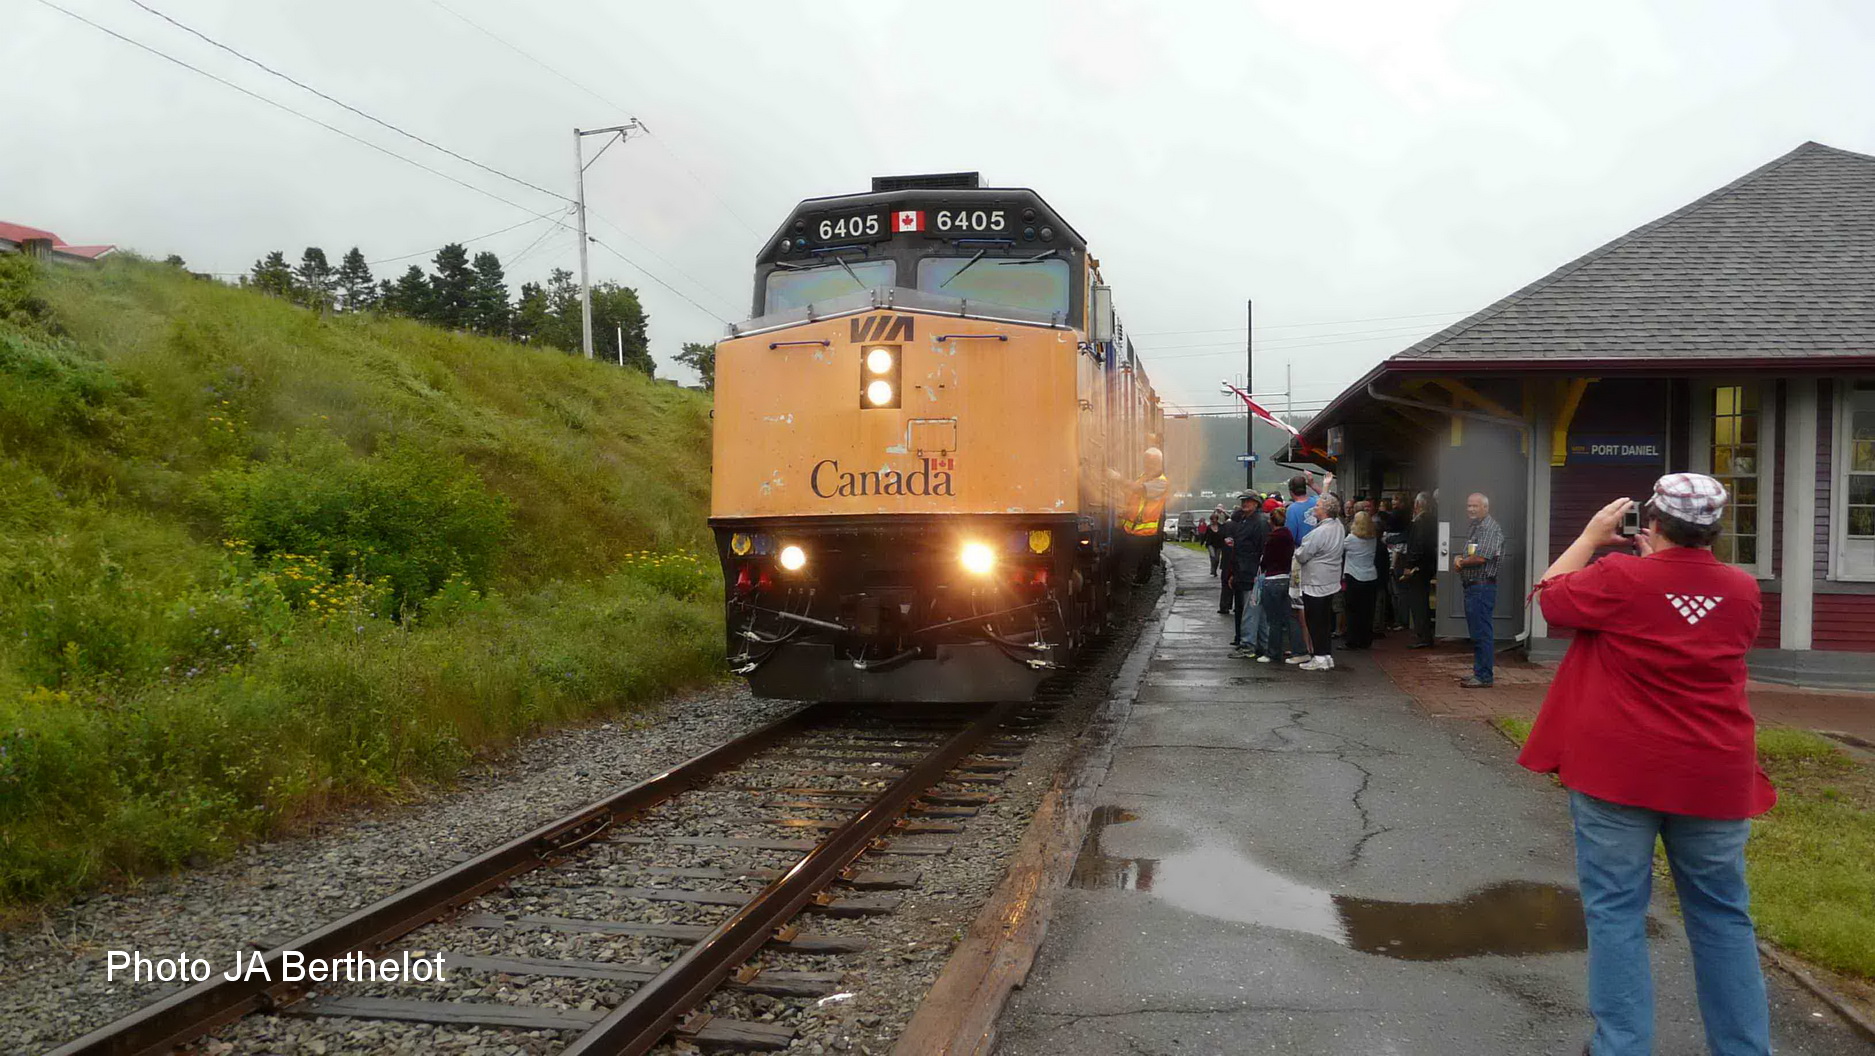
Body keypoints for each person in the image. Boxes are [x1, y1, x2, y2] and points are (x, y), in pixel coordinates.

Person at [1518, 475, 1773, 1056]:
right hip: (1715, 772)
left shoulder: (1619, 577)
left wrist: (1590, 536)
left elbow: (1551, 598)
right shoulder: (1742, 588)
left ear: (1650, 522)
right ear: (1715, 528)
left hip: (1620, 770)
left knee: (1616, 911)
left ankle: (1622, 1046)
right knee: (1723, 916)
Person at [1455, 492, 1504, 688]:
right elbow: (1472, 552)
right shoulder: (1476, 527)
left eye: (1475, 506)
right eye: (1469, 506)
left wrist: (1460, 562)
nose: (1471, 509)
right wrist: (1461, 558)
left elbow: (1482, 557)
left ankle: (1484, 676)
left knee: (1482, 632)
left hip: (1482, 586)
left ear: (1486, 507)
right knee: (1477, 632)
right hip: (1473, 586)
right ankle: (1479, 670)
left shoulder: (1490, 529)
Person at [1292, 493, 1346, 671]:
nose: (1314, 507)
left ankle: (1320, 657)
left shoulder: (1320, 532)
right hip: (1330, 579)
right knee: (1324, 620)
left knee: (1315, 621)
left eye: (1317, 506)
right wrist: (1325, 487)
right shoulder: (1338, 526)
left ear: (1325, 511)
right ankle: (1326, 655)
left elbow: (1302, 554)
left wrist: (1298, 551)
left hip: (1315, 582)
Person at [1114, 448, 1168, 587]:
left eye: (1151, 462)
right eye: (1146, 461)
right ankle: (1123, 599)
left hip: (1143, 534)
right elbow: (1133, 498)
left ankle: (1122, 605)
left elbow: (1139, 490)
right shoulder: (1143, 477)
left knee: (1126, 570)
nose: (1148, 465)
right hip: (1131, 531)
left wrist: (1118, 478)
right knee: (1122, 568)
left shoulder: (1161, 482)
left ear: (1158, 463)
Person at [1226, 494, 1268, 654]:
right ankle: (1264, 645)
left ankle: (1248, 645)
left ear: (1256, 504)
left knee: (1251, 611)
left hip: (1253, 572)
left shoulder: (1260, 523)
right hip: (1243, 572)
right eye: (1243, 501)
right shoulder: (1245, 521)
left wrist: (1260, 570)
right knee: (1257, 611)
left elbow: (1263, 548)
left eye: (1248, 501)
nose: (1245, 504)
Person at [1254, 506, 1295, 663]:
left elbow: (1265, 561)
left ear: (1271, 521)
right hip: (1286, 577)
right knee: (1287, 618)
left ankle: (1272, 652)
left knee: (1273, 620)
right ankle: (1294, 648)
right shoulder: (1289, 536)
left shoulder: (1272, 538)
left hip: (1272, 579)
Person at [1398, 492, 1437, 647]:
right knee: (1421, 600)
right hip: (1427, 564)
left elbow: (1418, 545)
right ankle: (1423, 634)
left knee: (1418, 601)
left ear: (1418, 504)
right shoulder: (1432, 520)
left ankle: (1423, 636)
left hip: (1419, 567)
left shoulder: (1420, 522)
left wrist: (1410, 565)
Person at [1342, 511, 1380, 649]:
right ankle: (1365, 639)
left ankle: (1352, 639)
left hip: (1354, 576)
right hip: (1370, 576)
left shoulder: (1351, 538)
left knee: (1353, 611)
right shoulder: (1373, 538)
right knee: (1367, 611)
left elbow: (1340, 548)